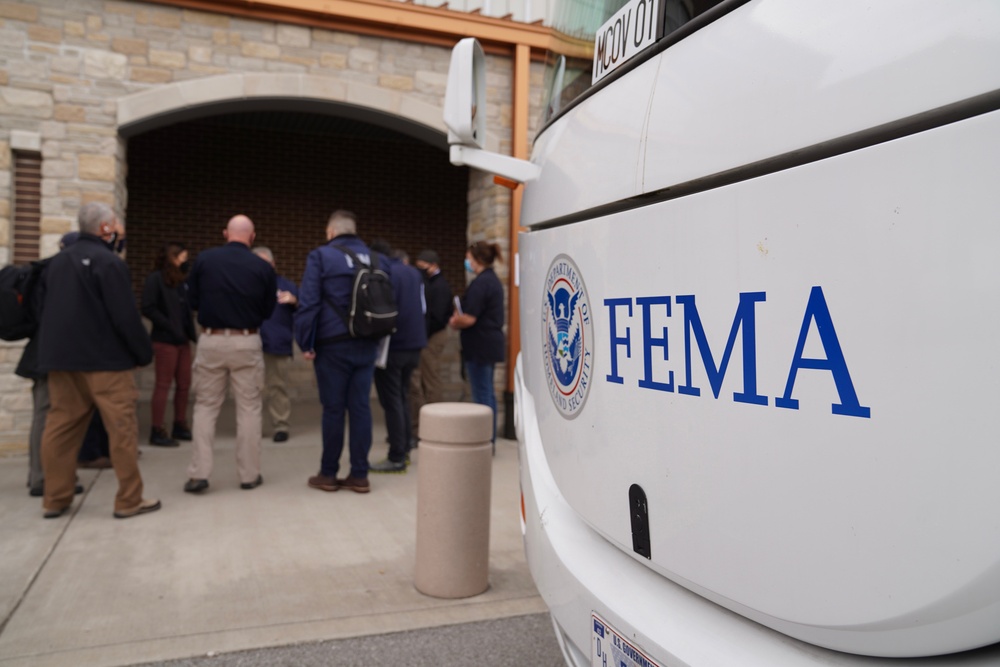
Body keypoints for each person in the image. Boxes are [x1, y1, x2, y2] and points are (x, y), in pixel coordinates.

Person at [36, 202, 159, 519]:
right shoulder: (109, 262)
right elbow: (125, 316)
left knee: (60, 429)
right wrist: (143, 353)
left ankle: (55, 498)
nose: (119, 229)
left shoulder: (56, 263)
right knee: (122, 430)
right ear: (105, 228)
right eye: (116, 224)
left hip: (62, 363)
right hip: (105, 363)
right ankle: (129, 500)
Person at [184, 215, 276, 494]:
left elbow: (192, 300)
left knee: (205, 407)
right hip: (246, 340)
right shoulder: (262, 267)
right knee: (249, 408)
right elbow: (269, 310)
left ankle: (199, 473)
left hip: (211, 339)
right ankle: (249, 475)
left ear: (226, 233)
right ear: (252, 235)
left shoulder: (204, 260)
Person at [294, 210, 383, 493]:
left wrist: (305, 341)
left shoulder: (321, 256)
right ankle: (359, 475)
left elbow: (309, 302)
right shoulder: (377, 258)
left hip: (332, 344)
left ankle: (329, 473)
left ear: (331, 232)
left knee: (333, 409)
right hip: (368, 342)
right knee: (360, 408)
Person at [16, 232, 86, 497]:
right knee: (49, 418)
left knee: (47, 417)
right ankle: (44, 478)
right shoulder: (56, 273)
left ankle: (44, 475)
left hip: (44, 354)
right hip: (51, 357)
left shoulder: (46, 271)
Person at [370, 240, 426, 473]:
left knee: (391, 400)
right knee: (401, 397)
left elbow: (383, 309)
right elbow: (422, 308)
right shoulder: (413, 273)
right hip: (415, 344)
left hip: (393, 346)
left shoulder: (385, 273)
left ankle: (396, 455)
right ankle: (403, 450)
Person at [449, 241, 506, 443]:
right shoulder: (491, 281)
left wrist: (456, 321)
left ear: (477, 260)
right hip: (487, 345)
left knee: (482, 395)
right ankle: (488, 438)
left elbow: (470, 317)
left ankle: (485, 439)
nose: (467, 262)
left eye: (469, 258)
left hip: (480, 346)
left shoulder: (482, 283)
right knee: (487, 393)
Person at [141, 242, 197, 447]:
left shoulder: (182, 281)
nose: (185, 261)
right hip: (165, 340)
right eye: (182, 257)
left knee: (184, 385)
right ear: (172, 258)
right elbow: (147, 307)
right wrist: (169, 324)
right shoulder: (155, 279)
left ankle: (180, 424)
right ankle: (157, 429)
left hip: (183, 340)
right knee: (163, 385)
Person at [252, 246, 298, 442]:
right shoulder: (245, 284)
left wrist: (295, 301)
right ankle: (251, 427)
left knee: (277, 386)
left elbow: (304, 311)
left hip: (276, 343)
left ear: (273, 263)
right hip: (250, 343)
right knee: (250, 389)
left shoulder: (285, 285)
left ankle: (280, 426)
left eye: (266, 263)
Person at [409, 249, 453, 441]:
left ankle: (436, 425)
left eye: (422, 266)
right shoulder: (432, 283)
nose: (420, 270)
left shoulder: (439, 286)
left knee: (431, 380)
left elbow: (437, 316)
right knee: (425, 379)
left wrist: (422, 335)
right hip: (428, 335)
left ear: (433, 265)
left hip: (432, 336)